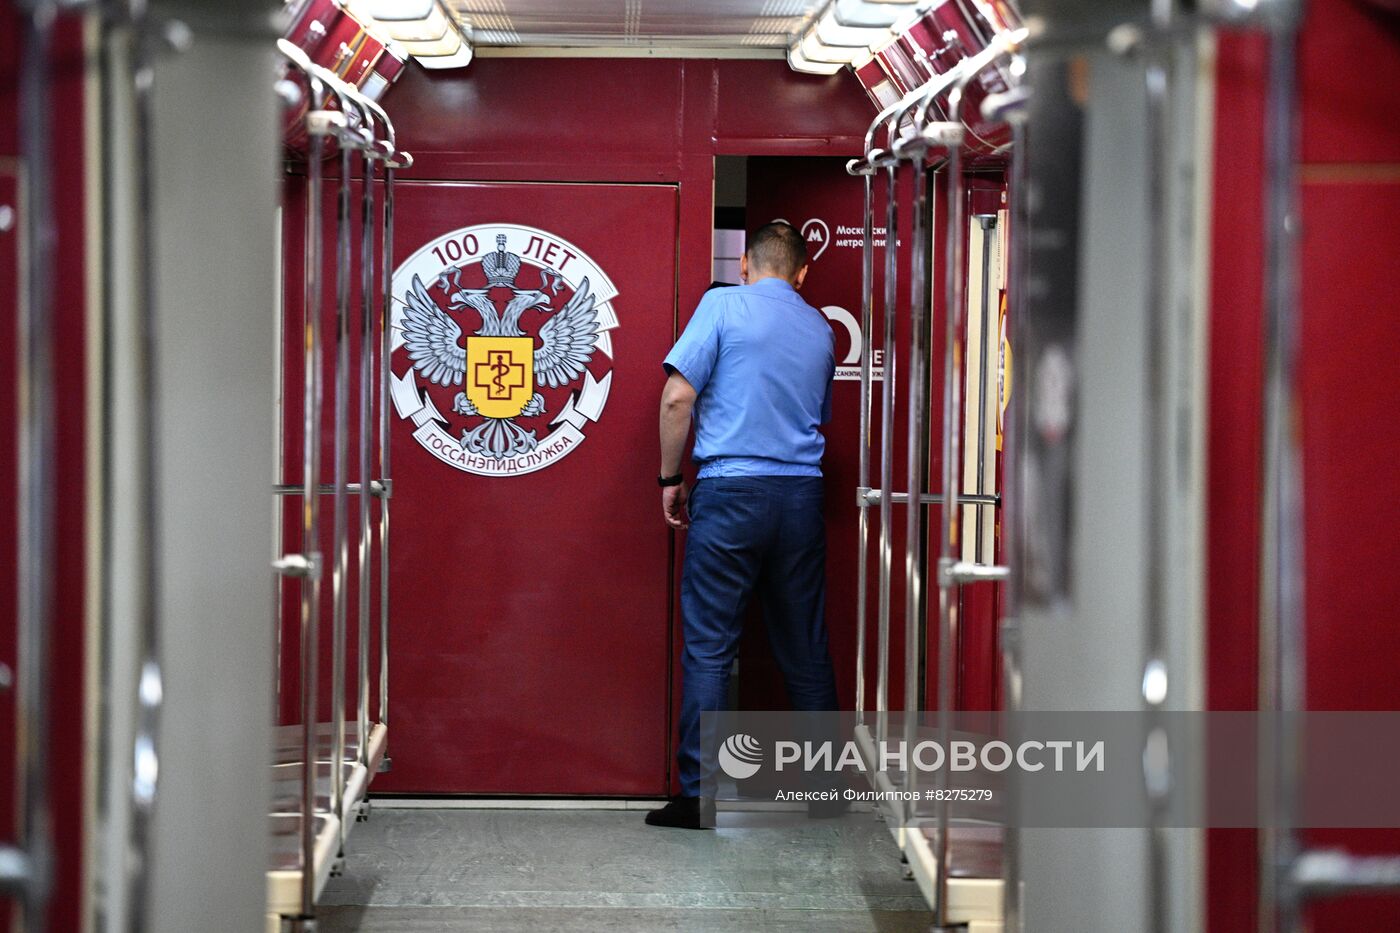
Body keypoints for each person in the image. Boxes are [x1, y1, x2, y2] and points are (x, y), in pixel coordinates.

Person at [647, 221, 840, 830]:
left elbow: (678, 397)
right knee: (805, 647)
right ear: (802, 273)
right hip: (801, 497)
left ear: (746, 266)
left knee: (709, 647)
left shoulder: (722, 303)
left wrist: (669, 479)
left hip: (731, 492)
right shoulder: (819, 328)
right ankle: (822, 793)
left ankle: (698, 797)